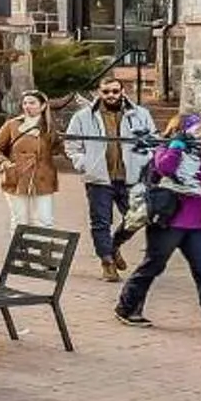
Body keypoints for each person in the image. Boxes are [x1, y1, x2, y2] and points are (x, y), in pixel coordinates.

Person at [113, 112, 201, 332]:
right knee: (153, 266)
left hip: (195, 225)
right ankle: (127, 307)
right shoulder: (164, 149)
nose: (200, 136)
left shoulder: (198, 158)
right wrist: (177, 145)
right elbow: (165, 168)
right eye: (196, 131)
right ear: (181, 131)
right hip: (169, 222)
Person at [63, 72, 155, 280]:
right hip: (99, 177)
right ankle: (107, 262)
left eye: (115, 91)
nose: (111, 95)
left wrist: (145, 158)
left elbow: (152, 140)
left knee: (138, 216)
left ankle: (113, 246)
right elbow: (71, 144)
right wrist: (83, 163)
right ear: (99, 93)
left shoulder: (140, 114)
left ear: (122, 91)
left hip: (130, 177)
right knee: (100, 222)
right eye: (106, 92)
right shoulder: (83, 116)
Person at [0, 90, 63, 228]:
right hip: (17, 177)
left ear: (43, 106)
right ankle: (18, 243)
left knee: (44, 221)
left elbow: (62, 148)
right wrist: (3, 162)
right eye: (25, 103)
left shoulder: (50, 127)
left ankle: (40, 243)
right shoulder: (12, 125)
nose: (27, 106)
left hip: (43, 178)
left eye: (32, 103)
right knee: (20, 221)